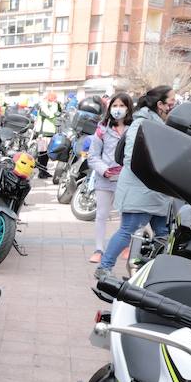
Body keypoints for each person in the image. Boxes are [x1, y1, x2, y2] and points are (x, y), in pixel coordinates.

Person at [96, 86, 177, 274]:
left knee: (164, 234)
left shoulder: (155, 123)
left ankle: (158, 272)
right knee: (128, 230)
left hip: (155, 191)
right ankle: (104, 267)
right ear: (160, 105)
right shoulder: (142, 124)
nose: (174, 104)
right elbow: (131, 156)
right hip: (141, 189)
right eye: (171, 101)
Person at [85, 92, 132, 265]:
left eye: (121, 105)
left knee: (126, 216)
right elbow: (92, 156)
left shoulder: (134, 128)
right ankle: (99, 249)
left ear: (128, 108)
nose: (118, 109)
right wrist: (104, 170)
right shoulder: (102, 129)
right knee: (101, 214)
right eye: (115, 105)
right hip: (105, 179)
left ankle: (126, 246)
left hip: (127, 179)